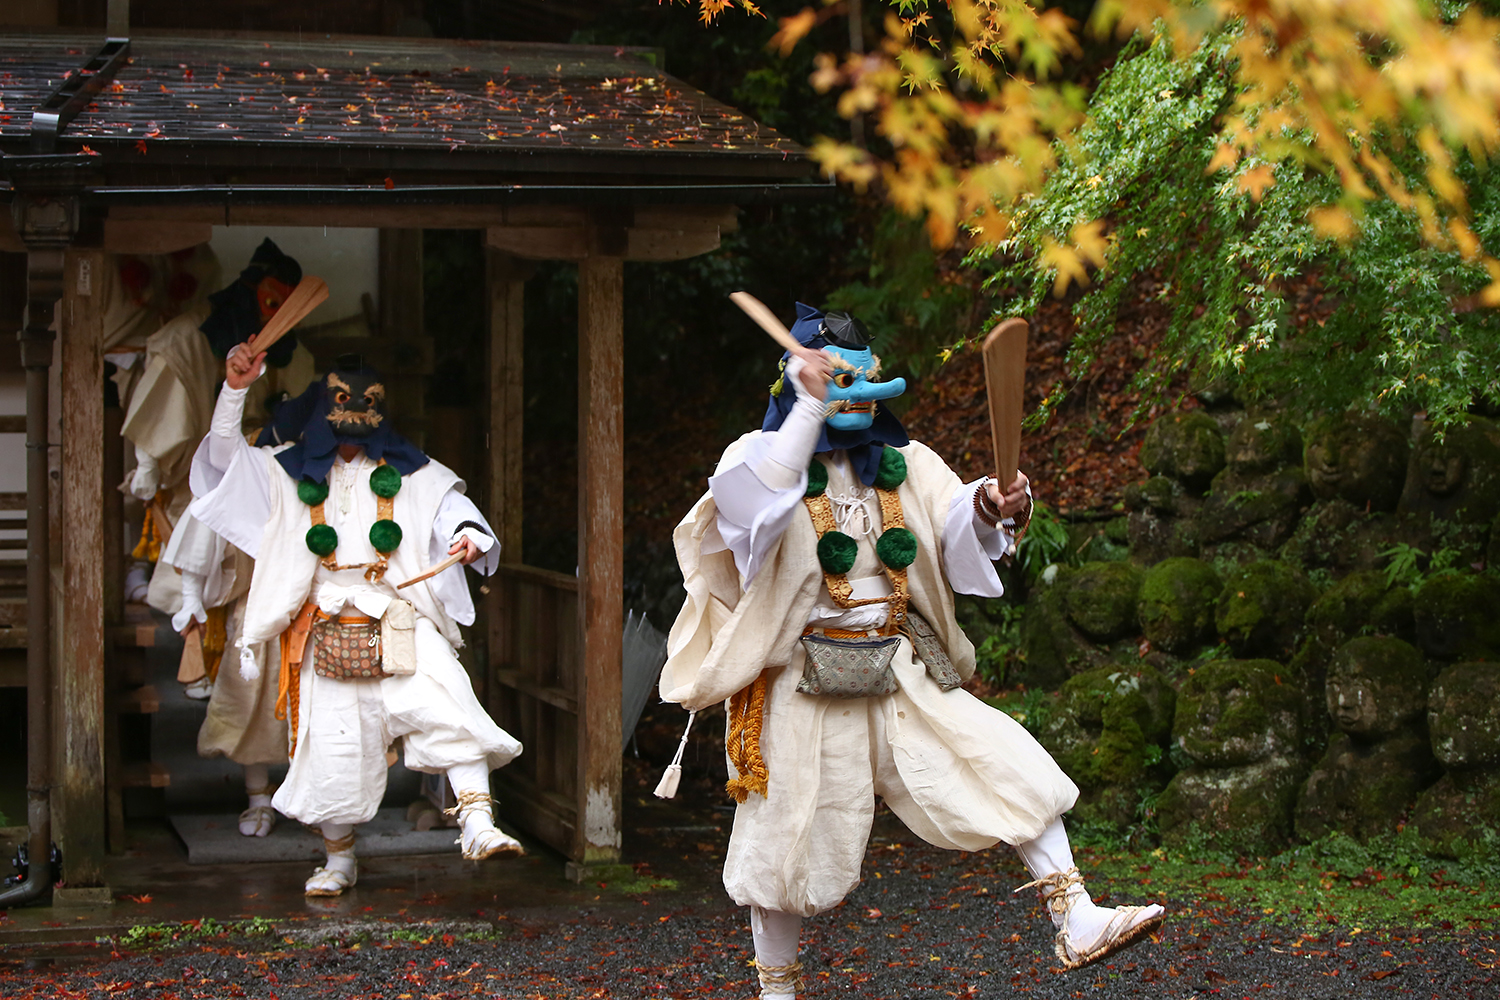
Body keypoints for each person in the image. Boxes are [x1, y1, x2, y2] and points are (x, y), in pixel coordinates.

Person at [658, 304, 1164, 998]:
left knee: (998, 758)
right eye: (833, 381)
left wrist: (990, 505)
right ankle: (776, 993)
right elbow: (760, 504)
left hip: (897, 663)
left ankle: (1074, 915)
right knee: (784, 844)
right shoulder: (754, 456)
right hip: (798, 676)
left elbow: (956, 529)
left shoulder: (906, 465)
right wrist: (807, 409)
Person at [187, 347, 523, 896]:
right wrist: (234, 391)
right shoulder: (285, 470)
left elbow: (450, 508)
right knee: (332, 748)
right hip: (323, 625)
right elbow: (223, 464)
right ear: (324, 411)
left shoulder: (411, 471)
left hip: (396, 617)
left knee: (448, 700)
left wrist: (469, 535)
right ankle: (339, 860)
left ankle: (478, 824)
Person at [122, 238, 315, 696]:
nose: (273, 315)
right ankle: (197, 642)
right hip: (201, 469)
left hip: (267, 472)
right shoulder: (187, 338)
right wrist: (147, 465)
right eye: (269, 302)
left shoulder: (298, 355)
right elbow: (164, 408)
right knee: (204, 529)